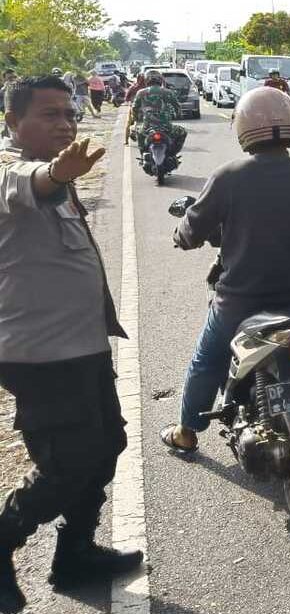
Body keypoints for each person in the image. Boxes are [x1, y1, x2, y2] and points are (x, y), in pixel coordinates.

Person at [0, 75, 143, 611]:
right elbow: (29, 182)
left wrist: (63, 173)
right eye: (48, 115)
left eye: (68, 114)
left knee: (107, 444)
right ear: (13, 122)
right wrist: (58, 172)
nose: (64, 124)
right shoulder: (10, 169)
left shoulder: (65, 171)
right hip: (39, 353)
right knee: (67, 461)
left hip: (82, 345)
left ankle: (75, 553)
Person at [160, 87, 290, 453]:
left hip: (240, 299)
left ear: (243, 127)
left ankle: (187, 431)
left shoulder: (228, 176)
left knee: (207, 359)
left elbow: (192, 231)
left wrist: (179, 235)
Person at [127, 70, 186, 153]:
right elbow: (177, 107)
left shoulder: (141, 93)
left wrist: (136, 118)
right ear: (160, 80)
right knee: (183, 132)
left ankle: (143, 152)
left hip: (147, 127)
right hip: (166, 127)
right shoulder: (168, 92)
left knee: (135, 131)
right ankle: (173, 153)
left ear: (146, 80)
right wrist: (178, 115)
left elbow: (134, 108)